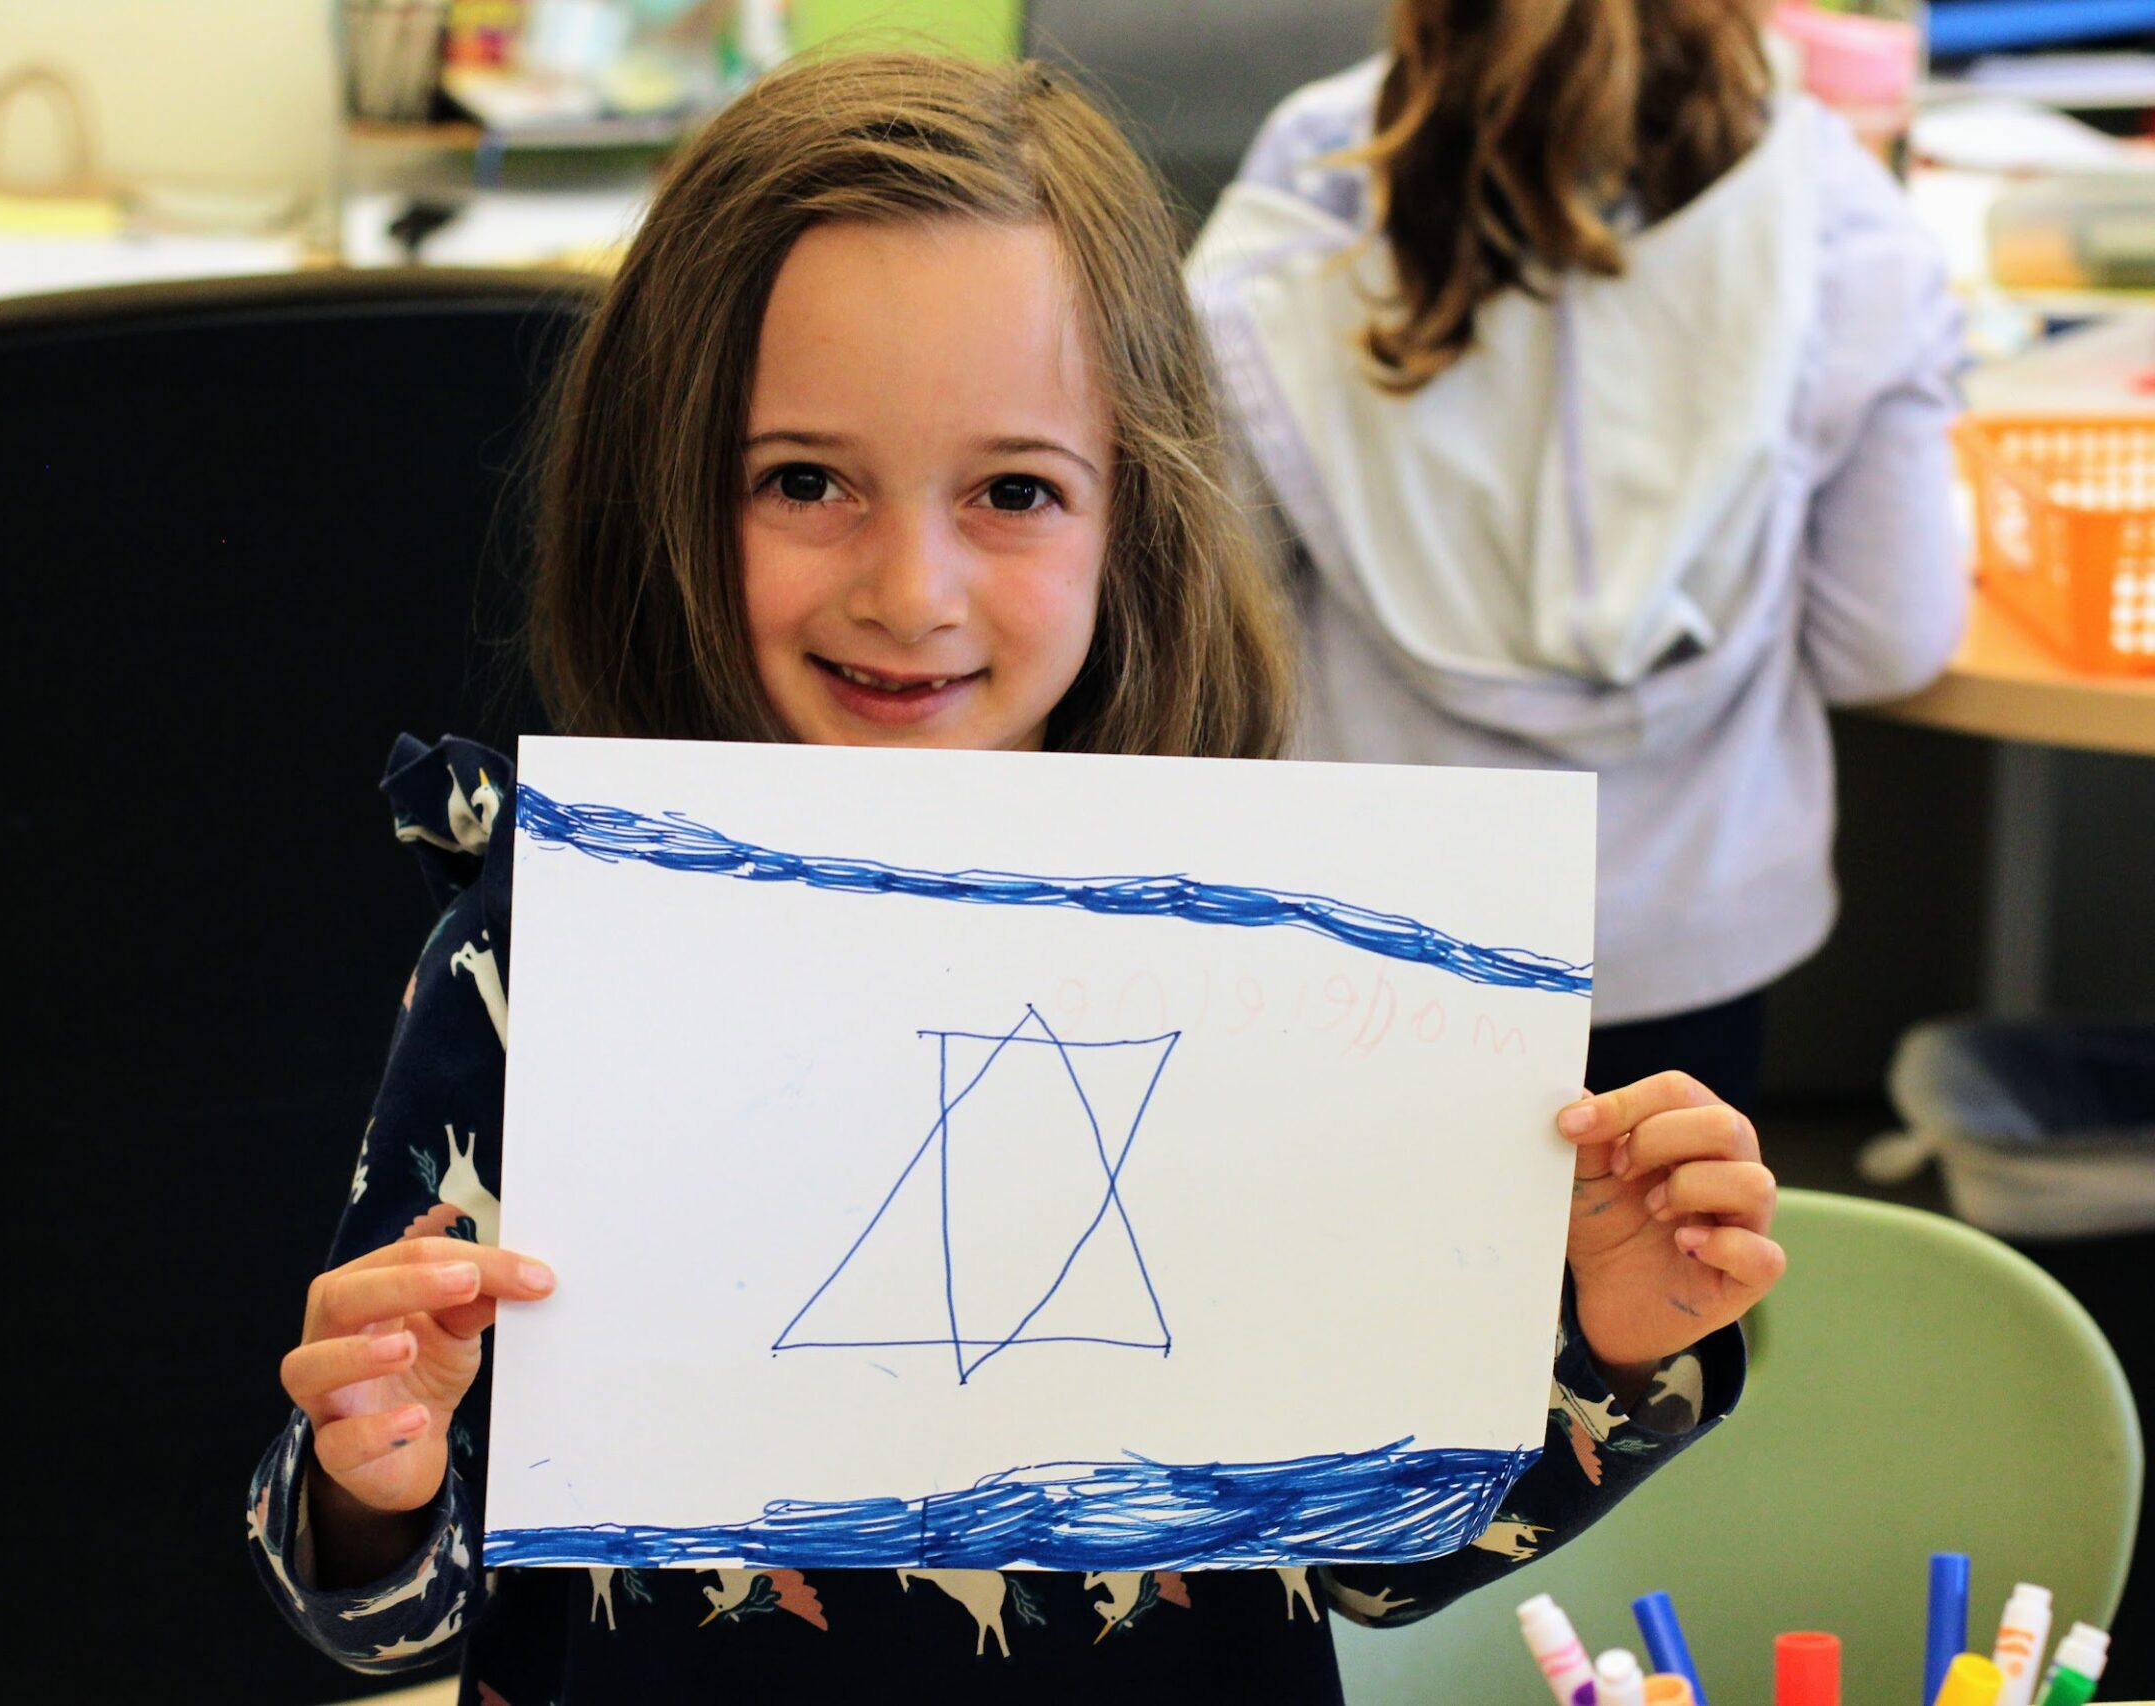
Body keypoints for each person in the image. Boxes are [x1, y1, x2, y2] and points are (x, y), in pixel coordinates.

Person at [250, 51, 1782, 1706]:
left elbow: (1383, 1562)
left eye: (1014, 492)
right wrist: (371, 1481)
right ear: (667, 485)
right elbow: (372, 1609)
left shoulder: (1276, 970)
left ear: (1138, 513)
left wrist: (1614, 1339)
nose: (912, 590)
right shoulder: (542, 955)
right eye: (803, 480)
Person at [1188, 0, 1967, 1110]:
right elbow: (1884, 643)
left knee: (1378, 1272)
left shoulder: (1317, 169)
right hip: (1685, 925)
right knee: (1673, 1265)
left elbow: (1221, 602)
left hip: (1370, 927)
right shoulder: (1833, 207)